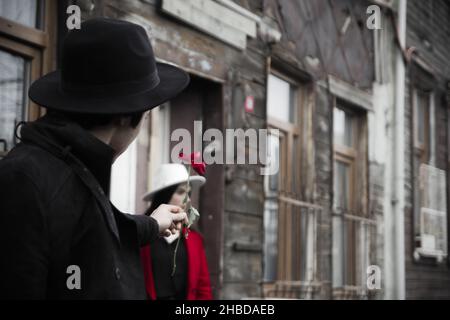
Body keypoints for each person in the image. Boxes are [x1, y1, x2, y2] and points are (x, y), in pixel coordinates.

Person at [0, 18, 191, 299]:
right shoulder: (25, 180)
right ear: (126, 116)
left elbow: (94, 227)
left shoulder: (70, 163)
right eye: (146, 115)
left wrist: (152, 224)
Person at [140, 164, 213, 300]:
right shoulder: (142, 236)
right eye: (180, 192)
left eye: (189, 193)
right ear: (164, 196)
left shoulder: (195, 240)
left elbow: (204, 289)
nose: (188, 199)